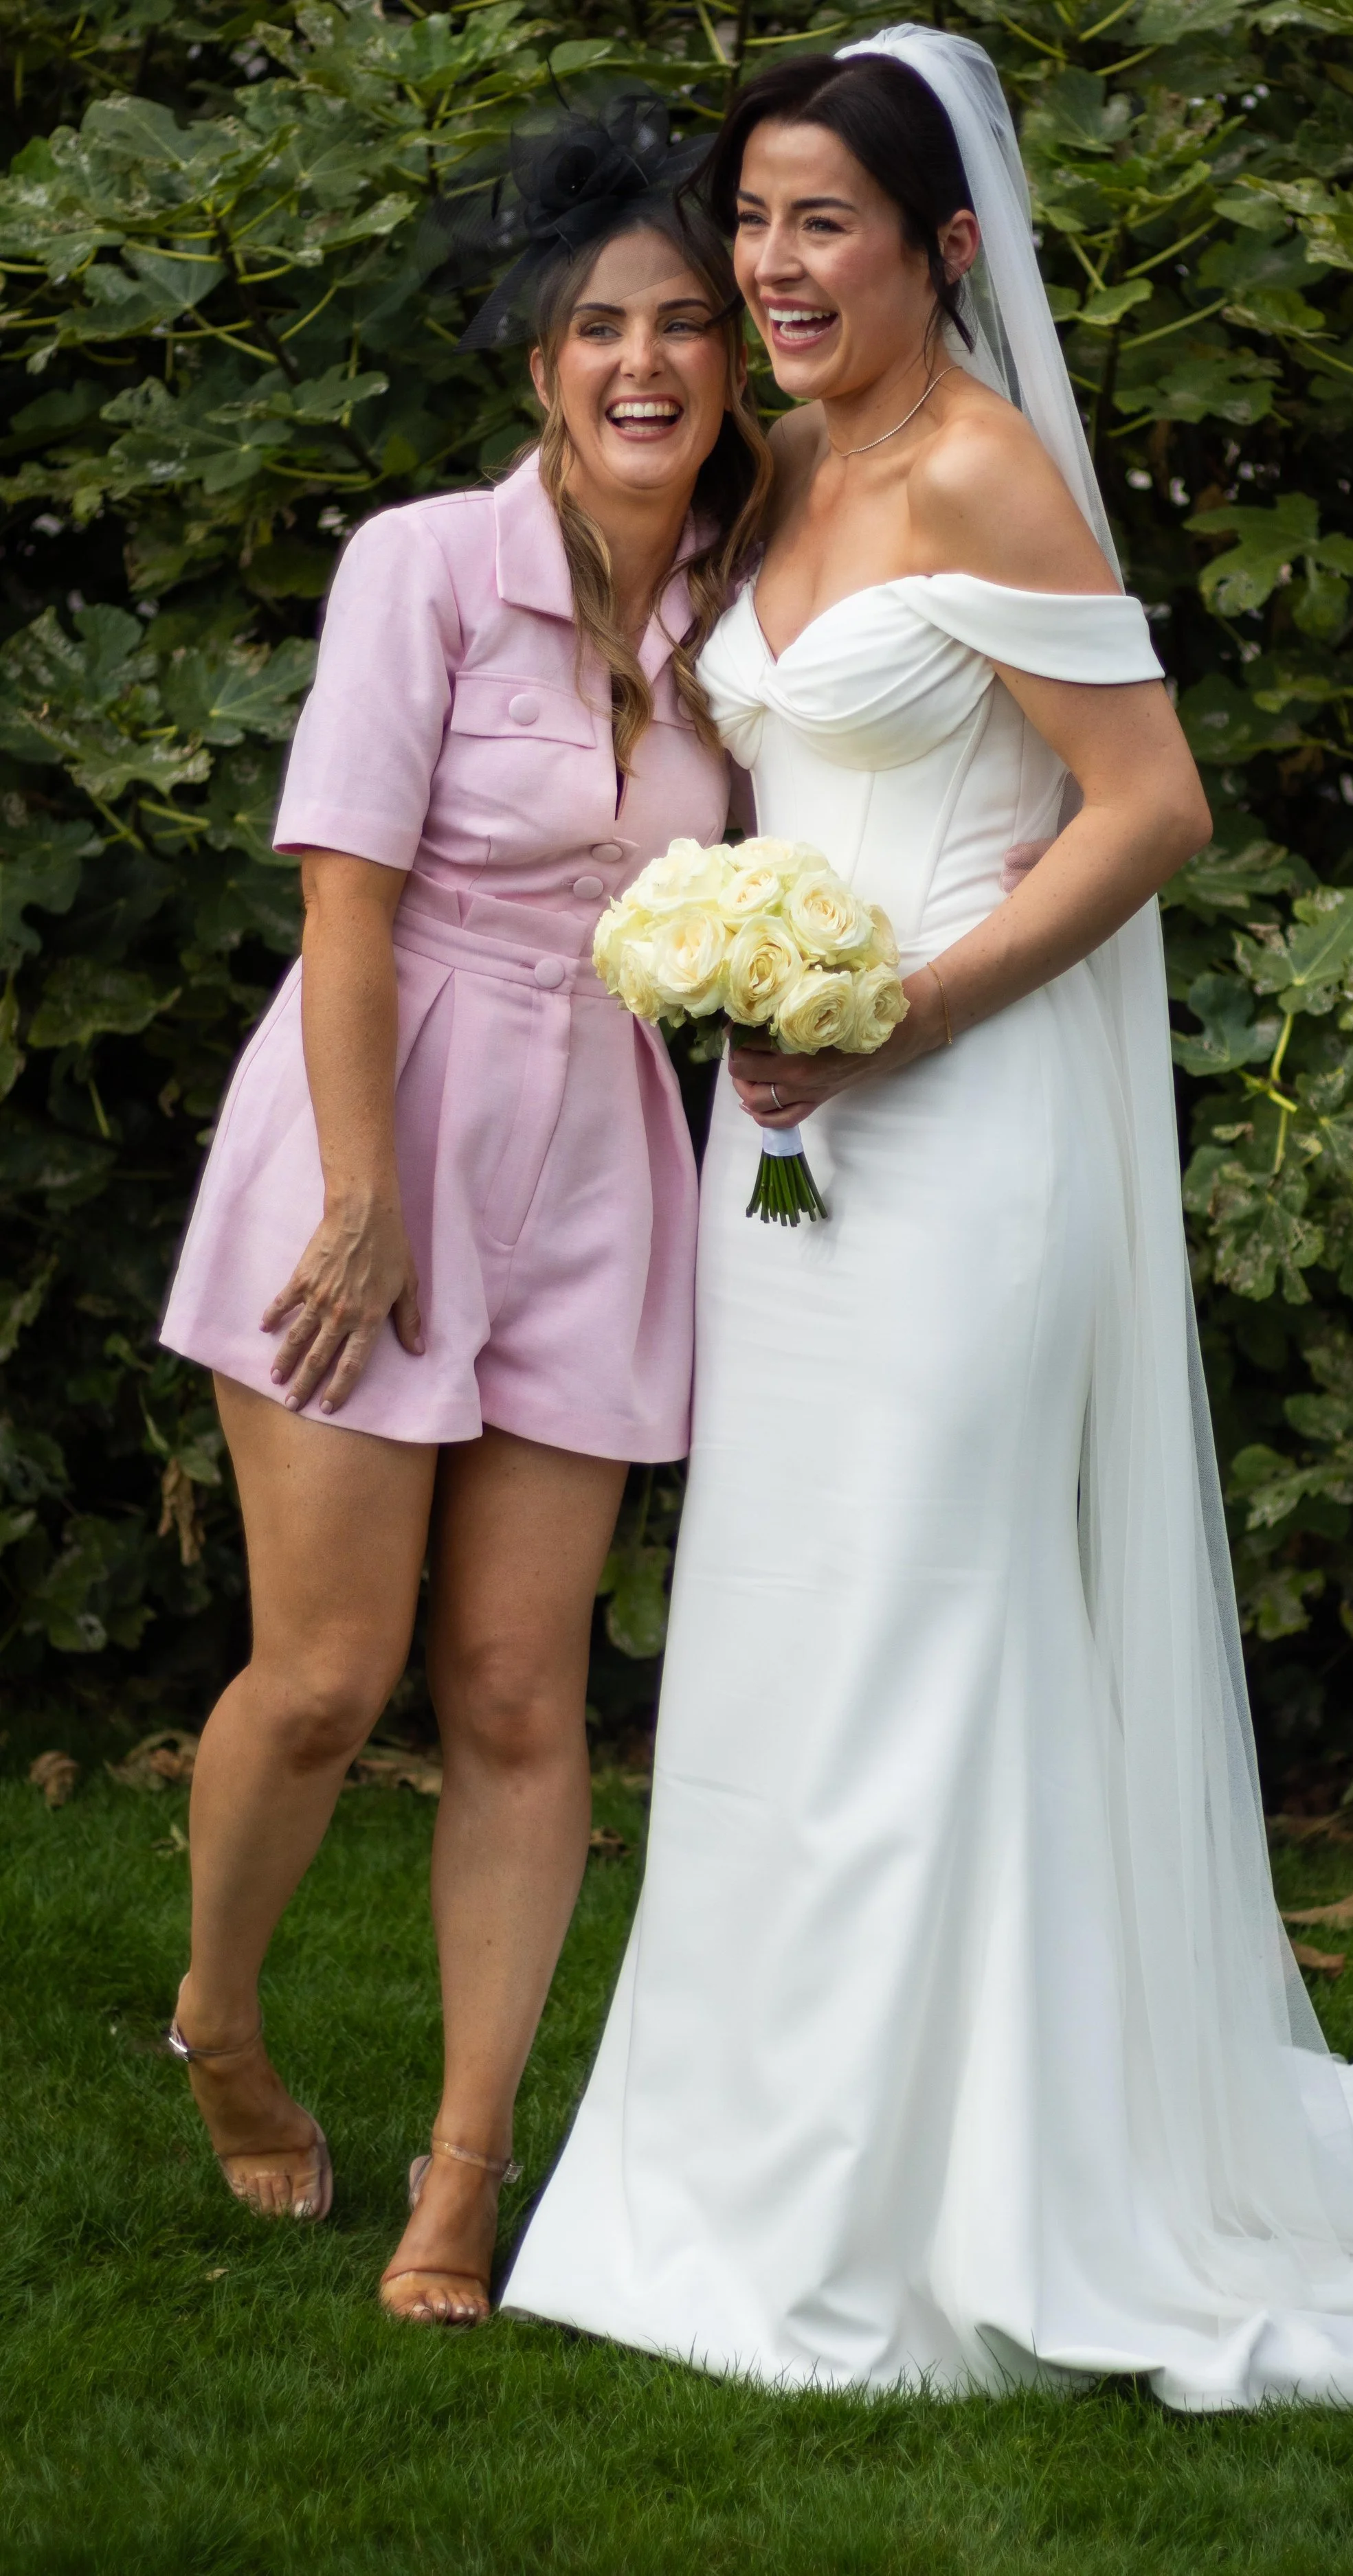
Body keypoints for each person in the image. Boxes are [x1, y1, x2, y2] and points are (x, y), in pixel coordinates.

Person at [503, 32, 1353, 2405]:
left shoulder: (980, 470)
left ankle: (968, 2203)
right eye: (750, 220)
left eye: (819, 223)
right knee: (781, 1635)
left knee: (933, 1633)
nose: (768, 267)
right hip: (794, 1132)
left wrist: (906, 1012)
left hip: (956, 1128)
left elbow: (1145, 808)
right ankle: (753, 2176)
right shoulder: (778, 476)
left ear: (944, 245)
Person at [156, 95, 769, 2328]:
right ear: (536, 366)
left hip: (603, 1152)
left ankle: (460, 2168)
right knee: (324, 1678)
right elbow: (347, 901)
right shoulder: (421, 562)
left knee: (522, 1693)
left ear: (728, 364)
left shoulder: (745, 606)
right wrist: (363, 1198)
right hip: (379, 1103)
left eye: (686, 325)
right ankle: (221, 2021)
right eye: (599, 325)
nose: (644, 363)